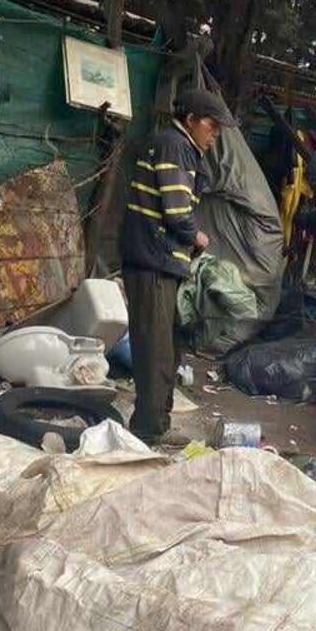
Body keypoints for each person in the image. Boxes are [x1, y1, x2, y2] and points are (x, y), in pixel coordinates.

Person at [121, 85, 236, 443]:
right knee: (156, 350)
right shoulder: (174, 145)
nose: (215, 135)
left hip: (159, 260)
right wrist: (197, 237)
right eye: (211, 126)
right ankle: (148, 429)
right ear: (190, 119)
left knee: (168, 345)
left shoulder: (177, 145)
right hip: (153, 261)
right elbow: (176, 212)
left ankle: (158, 421)